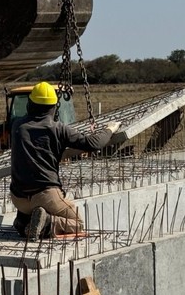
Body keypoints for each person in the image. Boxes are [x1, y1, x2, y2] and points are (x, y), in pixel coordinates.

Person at [9, 82, 120, 240]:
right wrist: (110, 129)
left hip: (18, 198)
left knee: (33, 207)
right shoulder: (58, 129)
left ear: (30, 104)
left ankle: (23, 222)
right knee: (77, 223)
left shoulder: (17, 126)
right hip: (45, 196)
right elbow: (93, 144)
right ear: (54, 108)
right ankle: (47, 222)